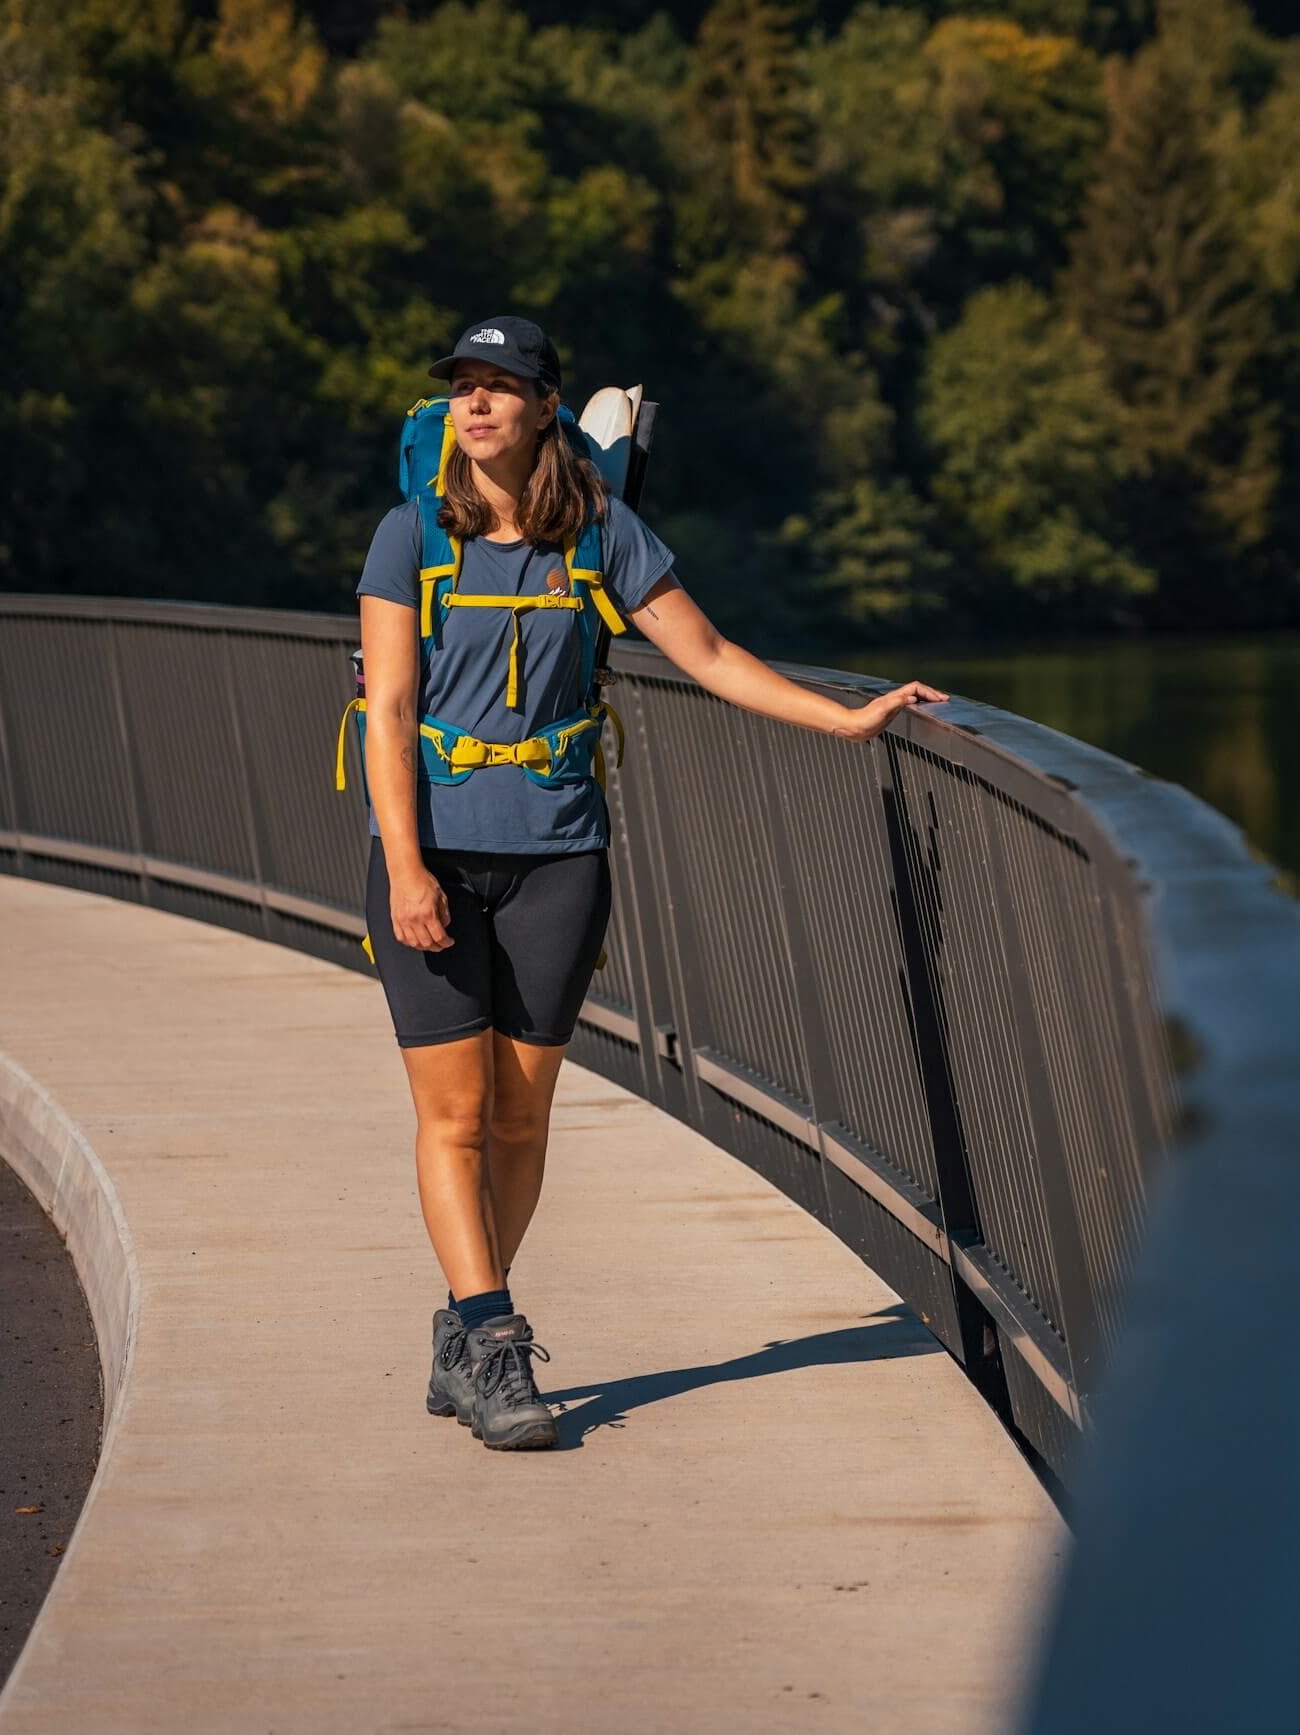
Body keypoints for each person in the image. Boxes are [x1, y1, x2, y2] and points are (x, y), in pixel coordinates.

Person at [357, 315, 948, 1451]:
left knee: (522, 1116)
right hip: (431, 851)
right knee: (458, 1112)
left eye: (502, 386)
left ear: (546, 410)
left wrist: (846, 719)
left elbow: (712, 658)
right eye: (463, 388)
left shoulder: (602, 534)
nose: (478, 404)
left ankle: (466, 1322)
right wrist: (403, 864)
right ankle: (492, 1337)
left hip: (559, 851)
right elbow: (385, 709)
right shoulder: (408, 536)